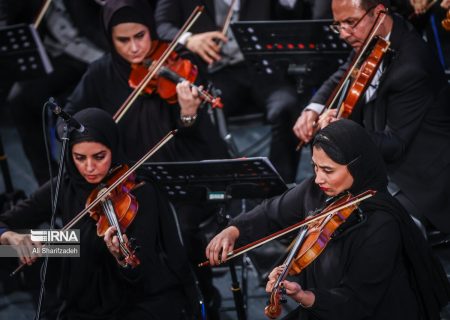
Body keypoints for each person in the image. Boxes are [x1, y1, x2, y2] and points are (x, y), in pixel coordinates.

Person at [60, 0, 230, 318]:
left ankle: (198, 300)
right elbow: (69, 117)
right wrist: (10, 239)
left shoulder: (177, 63)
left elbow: (196, 137)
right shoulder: (100, 74)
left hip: (172, 172)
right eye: (123, 41)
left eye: (141, 36)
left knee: (180, 229)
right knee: (80, 237)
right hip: (122, 180)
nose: (135, 48)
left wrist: (188, 114)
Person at [206, 119, 450, 319]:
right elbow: (272, 212)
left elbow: (356, 303)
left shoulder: (382, 225)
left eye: (328, 170)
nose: (318, 178)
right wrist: (234, 230)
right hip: (322, 306)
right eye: (314, 167)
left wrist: (304, 296)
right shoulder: (318, 189)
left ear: (357, 166)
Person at [0, 108, 195, 319]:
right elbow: (9, 223)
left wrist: (121, 257)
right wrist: (9, 236)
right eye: (79, 157)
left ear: (113, 148)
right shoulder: (64, 185)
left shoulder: (140, 189)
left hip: (138, 298)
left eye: (99, 157)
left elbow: (141, 268)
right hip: (81, 294)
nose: (90, 167)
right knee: (13, 247)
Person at [292, 0, 450, 233]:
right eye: (338, 25)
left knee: (361, 231)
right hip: (379, 164)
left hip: (418, 180)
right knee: (311, 200)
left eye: (350, 22)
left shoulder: (411, 66)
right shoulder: (376, 35)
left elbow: (395, 144)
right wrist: (313, 108)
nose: (344, 33)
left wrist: (345, 131)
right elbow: (345, 73)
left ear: (378, 12)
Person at [155, 0, 305, 183]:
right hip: (215, 73)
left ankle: (279, 186)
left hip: (262, 69)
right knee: (205, 112)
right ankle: (221, 185)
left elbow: (291, 16)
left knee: (286, 106)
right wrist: (189, 39)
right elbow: (161, 26)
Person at [6, 0, 107, 185]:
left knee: (78, 109)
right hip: (59, 54)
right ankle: (51, 183)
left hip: (95, 50)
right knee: (19, 100)